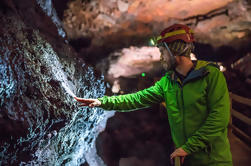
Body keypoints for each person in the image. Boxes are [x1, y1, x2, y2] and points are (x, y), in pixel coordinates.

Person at [74, 24, 233, 166]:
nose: (161, 57)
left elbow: (219, 118)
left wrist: (188, 148)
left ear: (174, 50)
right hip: (184, 160)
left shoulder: (211, 75)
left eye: (163, 51)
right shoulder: (168, 82)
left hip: (213, 160)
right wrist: (101, 102)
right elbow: (136, 99)